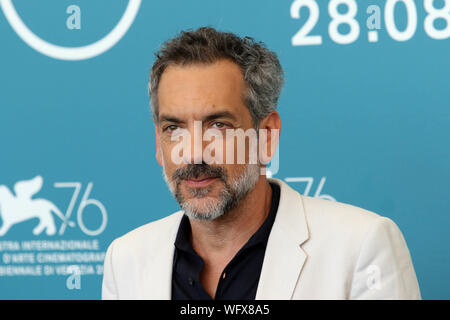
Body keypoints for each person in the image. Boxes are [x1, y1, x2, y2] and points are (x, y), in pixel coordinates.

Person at [102, 27, 421, 300]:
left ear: (266, 135)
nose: (194, 153)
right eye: (175, 128)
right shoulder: (126, 258)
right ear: (159, 142)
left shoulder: (361, 246)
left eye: (218, 126)